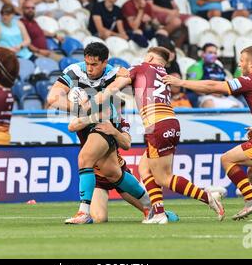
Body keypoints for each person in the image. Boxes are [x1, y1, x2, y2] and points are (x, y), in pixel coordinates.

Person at [164, 45, 252, 222]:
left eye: (242, 61)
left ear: (251, 62)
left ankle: (251, 199)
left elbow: (213, 86)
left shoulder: (251, 79)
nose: (240, 66)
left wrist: (181, 83)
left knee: (227, 159)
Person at [96, 47, 225, 224]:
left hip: (156, 125)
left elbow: (116, 86)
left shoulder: (141, 66)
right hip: (170, 122)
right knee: (145, 169)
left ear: (149, 57)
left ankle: (208, 197)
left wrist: (98, 98)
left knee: (163, 177)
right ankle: (159, 213)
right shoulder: (163, 73)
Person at [47, 42, 151, 224]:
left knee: (85, 158)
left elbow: (126, 81)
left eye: (94, 65)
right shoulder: (75, 71)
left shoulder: (114, 74)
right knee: (112, 173)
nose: (89, 69)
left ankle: (83, 213)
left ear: (105, 63)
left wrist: (124, 76)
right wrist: (82, 109)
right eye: (87, 63)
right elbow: (52, 98)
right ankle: (154, 208)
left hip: (106, 122)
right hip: (88, 120)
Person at [69, 115, 179, 223]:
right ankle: (84, 213)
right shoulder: (88, 117)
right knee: (99, 218)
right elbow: (72, 126)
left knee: (151, 209)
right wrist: (95, 117)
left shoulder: (120, 122)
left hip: (119, 174)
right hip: (97, 178)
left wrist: (114, 131)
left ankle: (163, 214)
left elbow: (127, 144)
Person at [187, 43, 244, 108]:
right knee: (209, 104)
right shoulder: (196, 67)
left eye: (215, 53)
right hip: (205, 96)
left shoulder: (218, 67)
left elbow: (225, 83)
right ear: (203, 54)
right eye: (210, 52)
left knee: (240, 106)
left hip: (222, 96)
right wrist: (210, 92)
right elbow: (192, 86)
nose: (213, 55)